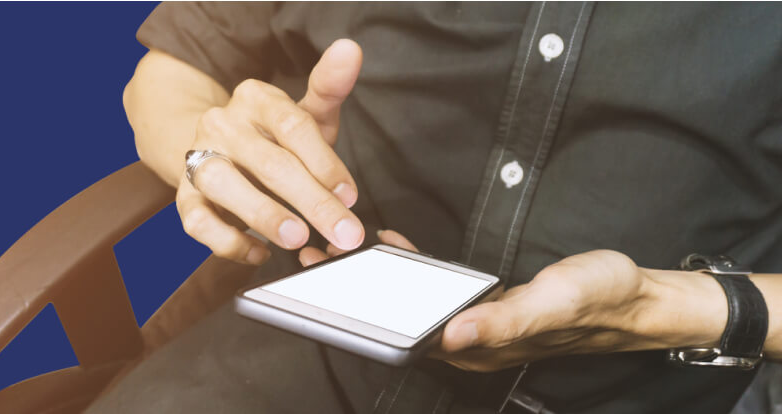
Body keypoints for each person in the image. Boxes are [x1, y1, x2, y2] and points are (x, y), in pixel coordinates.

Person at [88, 2, 782, 413]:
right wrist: (213, 154)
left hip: (652, 386)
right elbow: (172, 72)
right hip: (299, 344)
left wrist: (657, 309)